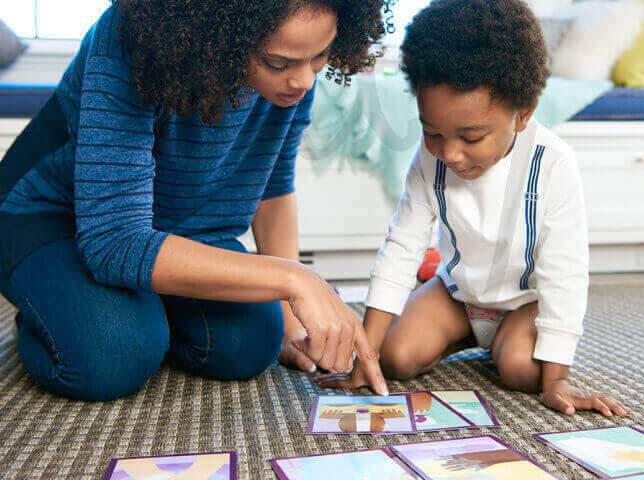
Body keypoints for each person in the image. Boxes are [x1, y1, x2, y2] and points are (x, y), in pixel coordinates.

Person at [0, 0, 391, 402]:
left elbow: (272, 184)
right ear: (220, 36)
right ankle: (51, 308)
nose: (304, 80)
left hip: (170, 229)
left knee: (251, 343)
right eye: (278, 63)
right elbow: (113, 241)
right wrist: (294, 278)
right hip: (50, 219)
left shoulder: (296, 73)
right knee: (114, 352)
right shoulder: (130, 39)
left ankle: (138, 308)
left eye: (320, 56)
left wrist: (293, 321)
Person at [321, 0, 629, 417]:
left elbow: (564, 272)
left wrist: (557, 379)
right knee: (396, 358)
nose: (451, 153)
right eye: (433, 132)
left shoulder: (552, 164)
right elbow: (401, 247)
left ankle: (508, 342)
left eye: (471, 136)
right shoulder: (429, 159)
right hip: (458, 296)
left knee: (521, 370)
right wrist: (367, 353)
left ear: (523, 114)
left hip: (524, 301)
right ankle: (473, 338)